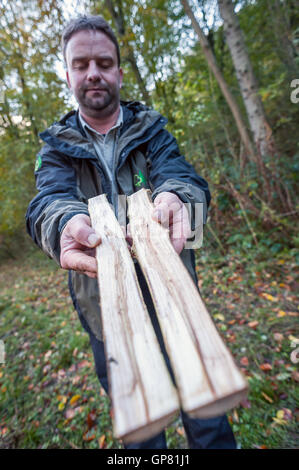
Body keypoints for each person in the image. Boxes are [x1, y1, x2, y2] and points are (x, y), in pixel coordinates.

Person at [26, 14, 236, 449]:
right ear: (67, 75)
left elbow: (182, 177)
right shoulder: (55, 147)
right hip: (107, 310)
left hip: (176, 298)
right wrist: (67, 223)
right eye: (81, 64)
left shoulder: (152, 131)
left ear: (120, 71)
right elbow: (49, 201)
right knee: (142, 430)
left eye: (104, 62)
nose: (94, 73)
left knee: (209, 418)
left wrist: (177, 197)